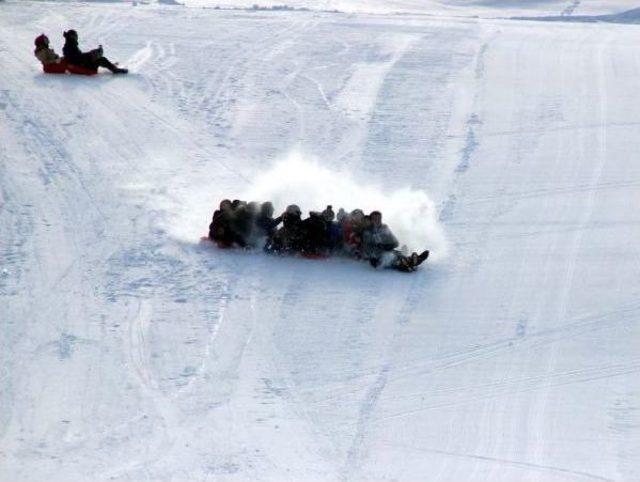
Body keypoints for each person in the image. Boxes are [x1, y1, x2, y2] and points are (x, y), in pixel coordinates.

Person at [62, 30, 128, 74]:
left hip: (82, 64)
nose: (77, 37)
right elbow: (76, 59)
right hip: (83, 66)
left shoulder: (69, 45)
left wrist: (91, 54)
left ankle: (111, 66)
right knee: (101, 59)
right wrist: (91, 55)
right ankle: (114, 69)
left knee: (98, 58)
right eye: (76, 36)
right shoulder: (70, 46)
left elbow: (77, 56)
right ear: (72, 37)